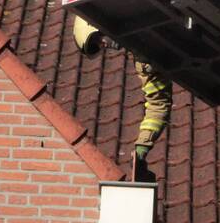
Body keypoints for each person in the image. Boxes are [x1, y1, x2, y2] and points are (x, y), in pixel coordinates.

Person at [73, 16, 170, 183]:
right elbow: (158, 104)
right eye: (98, 45)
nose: (103, 45)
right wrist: (142, 148)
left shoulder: (135, 6)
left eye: (98, 39)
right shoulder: (143, 60)